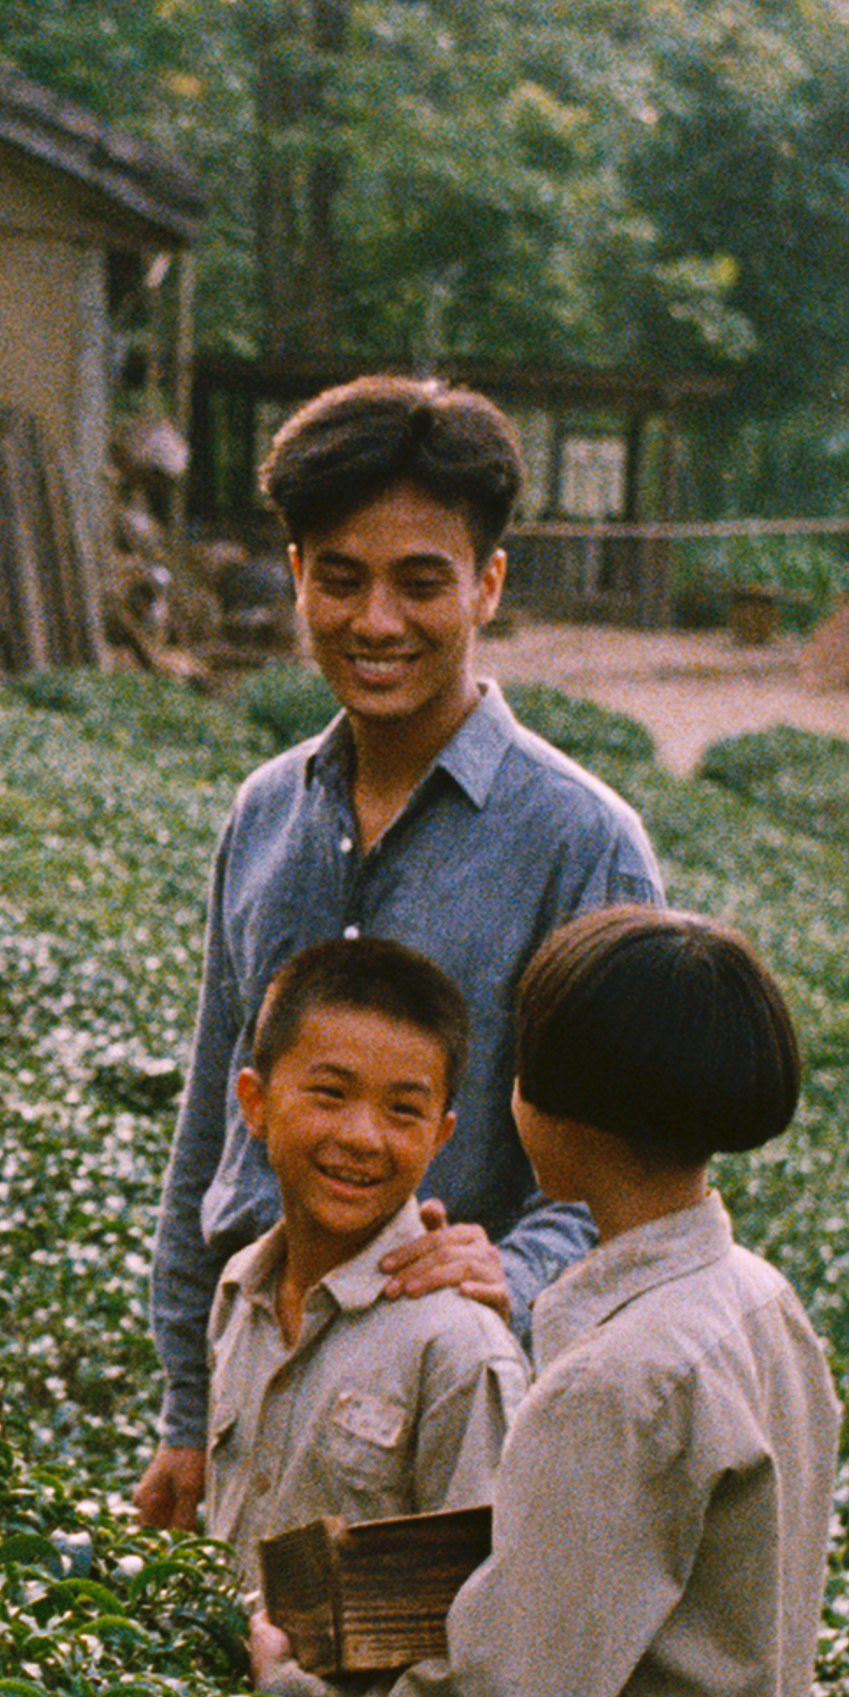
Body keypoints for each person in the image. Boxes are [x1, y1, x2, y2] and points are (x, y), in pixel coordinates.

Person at [134, 376, 663, 1532]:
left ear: (486, 584)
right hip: (254, 1364)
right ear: (296, 576)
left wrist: (511, 1278)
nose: (376, 622)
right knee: (244, 1676)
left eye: (420, 581)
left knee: (387, 1694)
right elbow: (212, 1123)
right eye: (339, 578)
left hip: (446, 1400)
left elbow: (630, 1172)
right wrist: (184, 1408)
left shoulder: (579, 841)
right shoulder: (266, 813)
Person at [248, 903, 839, 1697]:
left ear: (556, 1100)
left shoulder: (621, 1379)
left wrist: (294, 1693)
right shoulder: (760, 1302)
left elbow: (514, 1687)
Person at [200, 936, 528, 1697]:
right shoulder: (238, 1294)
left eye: (402, 1110)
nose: (361, 1137)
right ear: (255, 1102)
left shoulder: (457, 1352)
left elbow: (480, 1647)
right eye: (331, 1094)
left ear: (443, 1134)